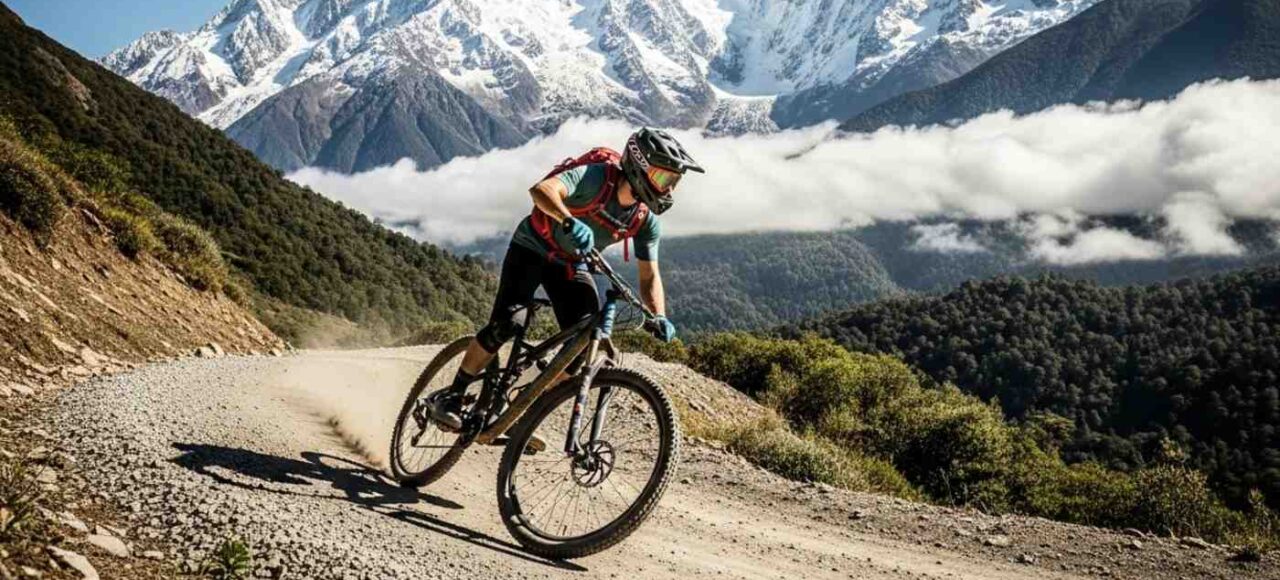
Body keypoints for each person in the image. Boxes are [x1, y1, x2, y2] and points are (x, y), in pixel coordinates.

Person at [429, 128, 704, 430]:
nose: (669, 191)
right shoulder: (596, 178)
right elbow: (542, 190)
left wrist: (658, 315)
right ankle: (452, 395)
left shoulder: (644, 221)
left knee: (581, 345)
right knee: (507, 324)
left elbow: (649, 275)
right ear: (640, 167)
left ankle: (516, 411)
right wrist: (568, 219)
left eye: (674, 183)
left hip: (571, 264)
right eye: (665, 179)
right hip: (532, 248)